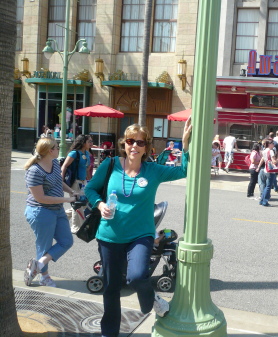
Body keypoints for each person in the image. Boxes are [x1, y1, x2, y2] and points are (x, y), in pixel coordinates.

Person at [84, 119, 192, 337]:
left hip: (140, 235)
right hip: (109, 235)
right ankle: (109, 332)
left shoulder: (153, 170)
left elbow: (184, 171)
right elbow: (90, 189)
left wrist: (185, 144)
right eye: (131, 141)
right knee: (112, 288)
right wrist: (100, 204)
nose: (134, 146)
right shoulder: (110, 165)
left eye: (140, 142)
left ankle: (151, 300)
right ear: (124, 143)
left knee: (136, 276)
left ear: (146, 147)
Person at [23, 137, 76, 288]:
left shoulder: (54, 163)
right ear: (49, 151)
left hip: (57, 209)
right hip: (41, 211)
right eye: (56, 146)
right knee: (44, 246)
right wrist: (67, 200)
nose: (59, 148)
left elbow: (59, 182)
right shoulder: (34, 171)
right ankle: (44, 277)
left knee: (67, 241)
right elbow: (41, 198)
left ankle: (38, 265)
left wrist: (72, 192)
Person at [60, 135, 93, 234]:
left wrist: (89, 181)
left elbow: (87, 169)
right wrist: (61, 181)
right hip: (75, 182)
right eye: (89, 141)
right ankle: (75, 227)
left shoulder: (87, 153)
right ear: (83, 143)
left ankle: (61, 216)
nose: (91, 143)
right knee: (78, 204)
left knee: (83, 204)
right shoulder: (74, 153)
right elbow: (64, 166)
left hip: (83, 182)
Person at [256, 139, 278, 207]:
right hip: (270, 170)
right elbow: (274, 161)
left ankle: (262, 200)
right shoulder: (271, 151)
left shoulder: (264, 151)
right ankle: (265, 201)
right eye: (272, 143)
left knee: (266, 186)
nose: (273, 145)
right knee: (268, 186)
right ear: (269, 144)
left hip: (265, 169)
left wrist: (258, 167)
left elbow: (263, 159)